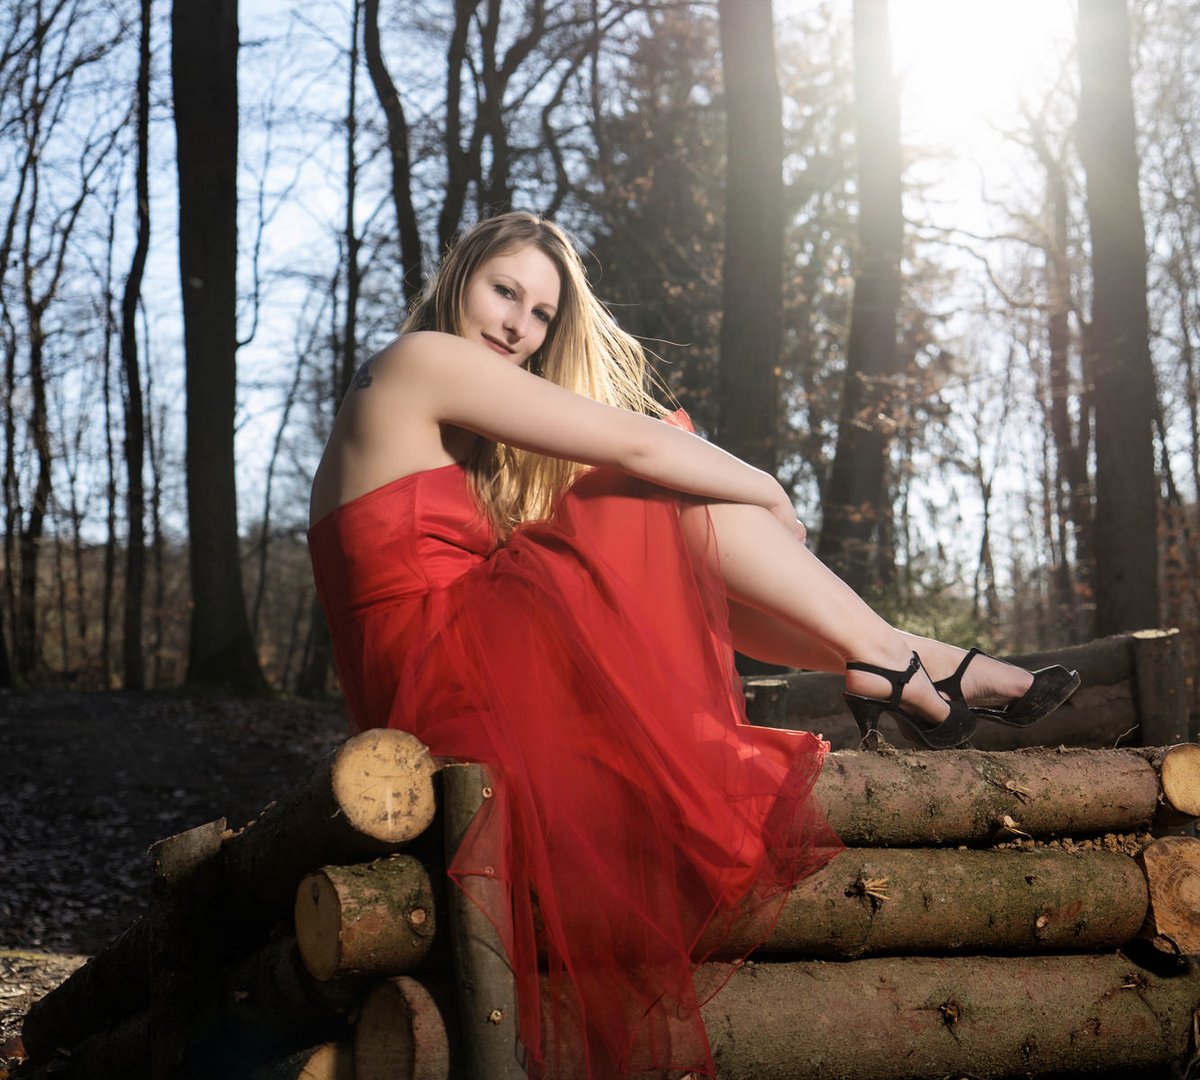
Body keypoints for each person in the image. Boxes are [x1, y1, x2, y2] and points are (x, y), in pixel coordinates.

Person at [307, 211, 1077, 1078]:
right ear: (459, 281)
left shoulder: (458, 431)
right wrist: (765, 488)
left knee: (654, 525)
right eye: (504, 291)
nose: (517, 324)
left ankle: (889, 654)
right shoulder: (419, 359)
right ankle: (896, 657)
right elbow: (638, 442)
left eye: (542, 313)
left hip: (444, 685)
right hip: (444, 683)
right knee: (648, 481)